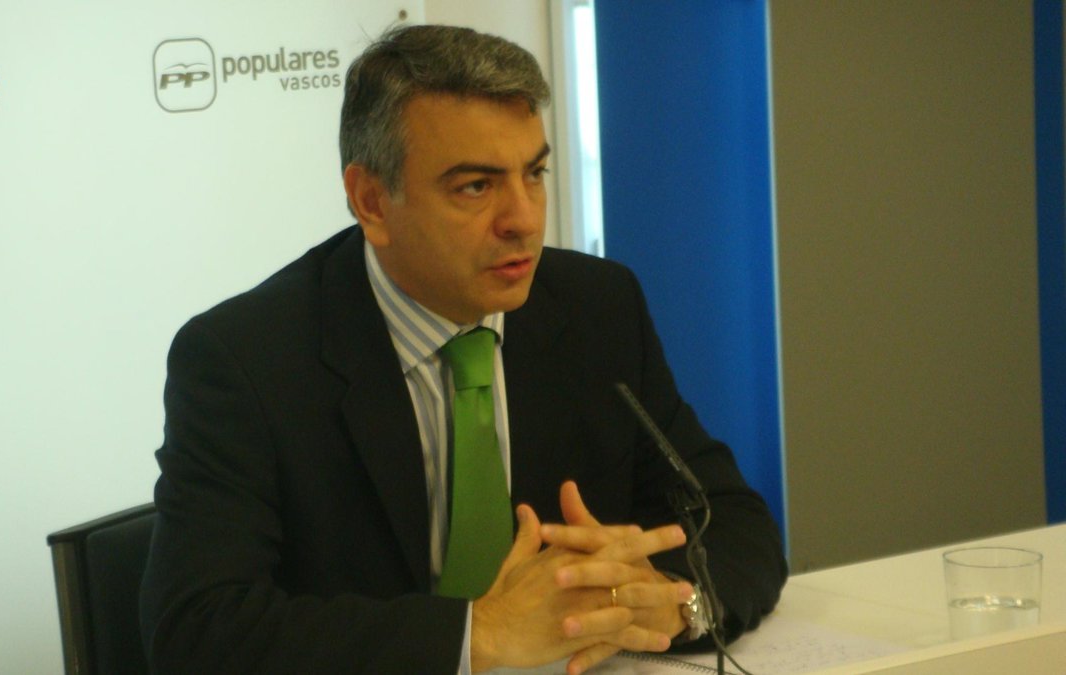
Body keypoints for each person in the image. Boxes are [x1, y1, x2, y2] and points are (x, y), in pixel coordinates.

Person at [140, 23, 786, 674]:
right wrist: (478, 634)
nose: (524, 219)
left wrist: (674, 603)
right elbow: (198, 629)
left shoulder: (597, 308)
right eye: (476, 186)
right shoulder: (245, 359)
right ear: (371, 201)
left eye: (534, 174)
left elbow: (734, 522)